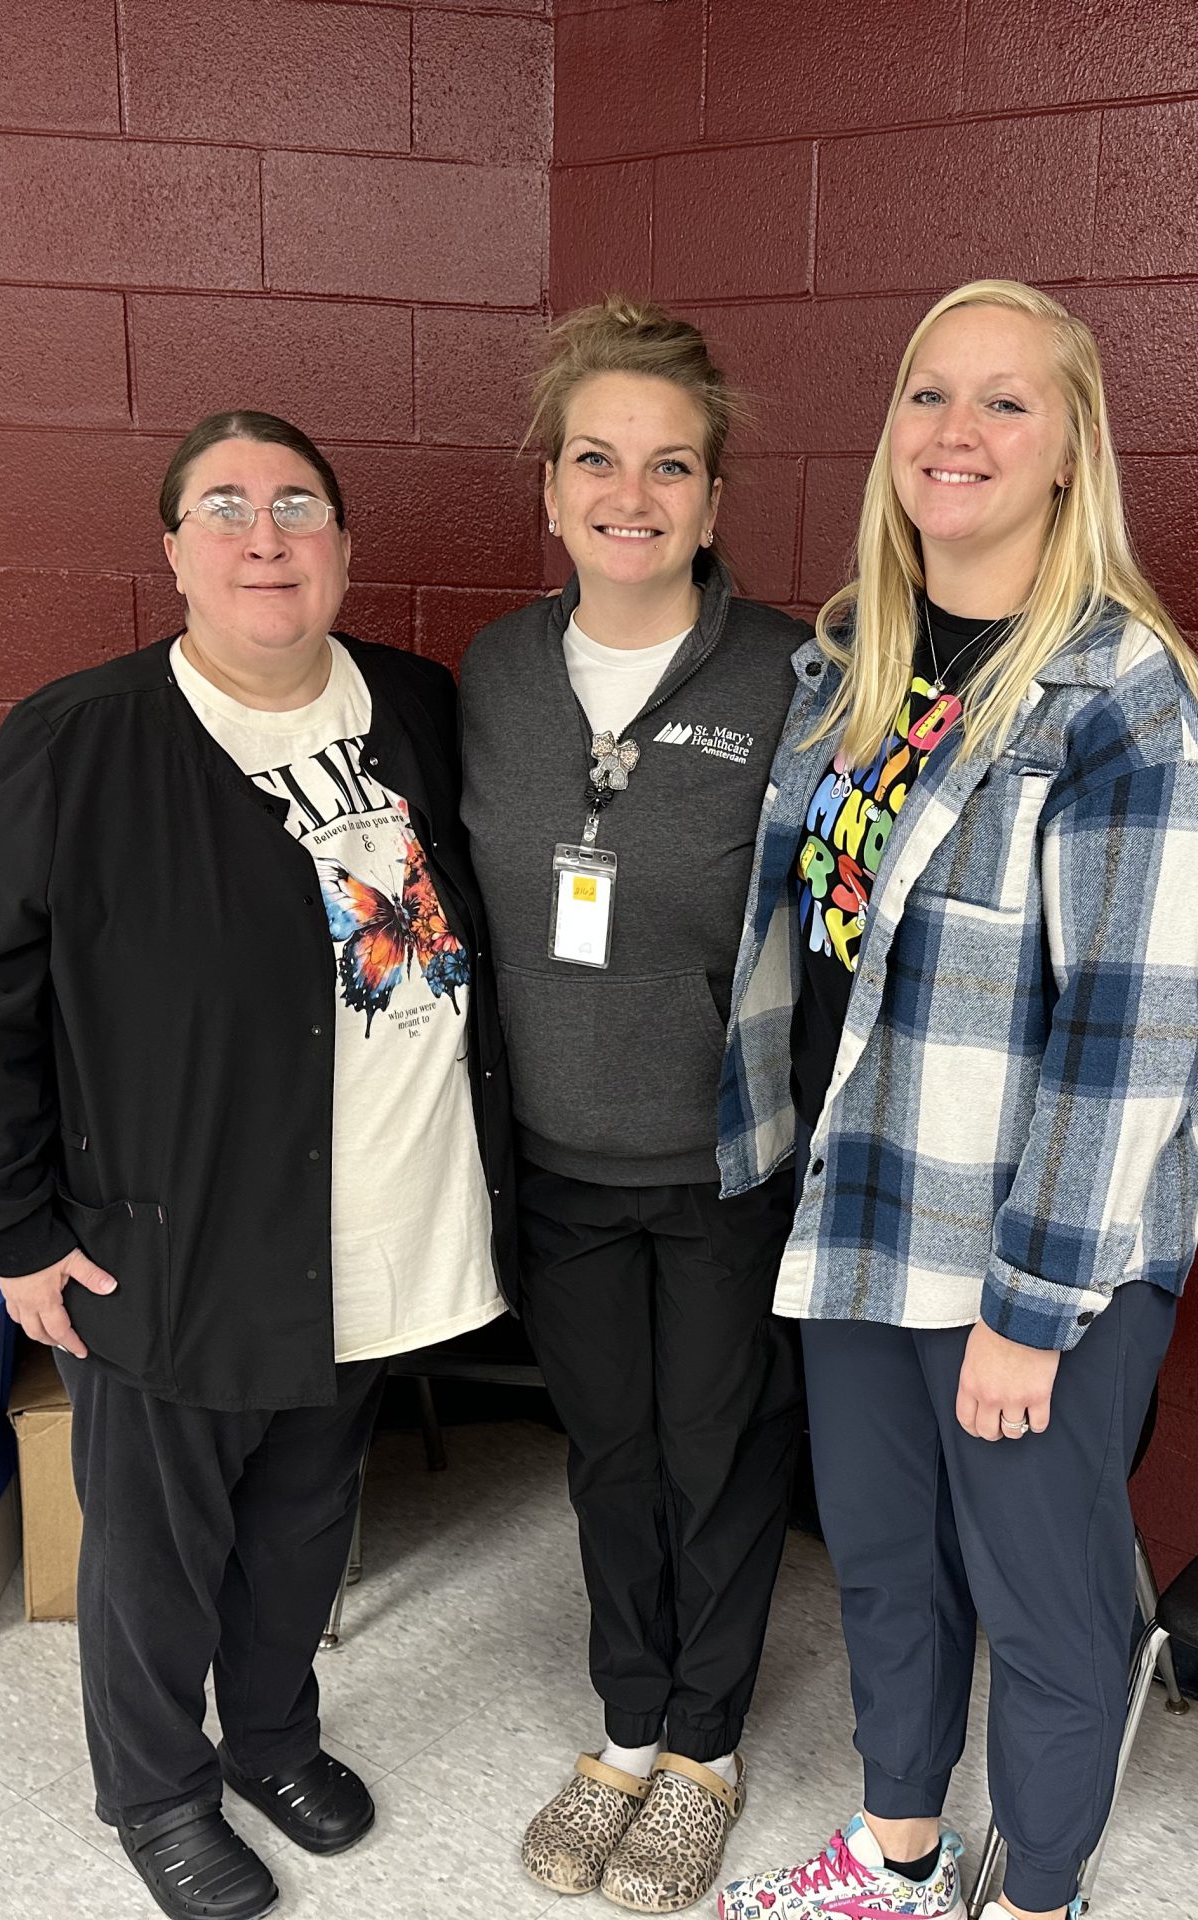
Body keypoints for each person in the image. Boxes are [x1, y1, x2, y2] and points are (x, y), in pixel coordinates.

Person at [0, 410, 515, 1920]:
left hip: (380, 1214)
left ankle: (271, 1738)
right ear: (174, 552)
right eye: (227, 508)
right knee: (159, 1545)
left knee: (306, 1518)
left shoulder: (417, 707)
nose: (267, 538)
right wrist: (12, 1227)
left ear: (343, 548)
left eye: (299, 506)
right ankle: (158, 1792)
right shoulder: (79, 741)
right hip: (173, 1233)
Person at [711, 280, 1198, 1920]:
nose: (957, 430)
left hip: (1034, 1247)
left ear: (1074, 450)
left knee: (1041, 1599)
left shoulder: (1125, 701)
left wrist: (1031, 1306)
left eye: (1006, 401)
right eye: (928, 394)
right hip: (867, 1201)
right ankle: (897, 1857)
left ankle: (1038, 1897)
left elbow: (1127, 1036)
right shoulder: (849, 668)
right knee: (882, 1562)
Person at [456, 296, 806, 1915]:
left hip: (725, 1159)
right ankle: (625, 1726)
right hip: (557, 1159)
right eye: (597, 459)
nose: (632, 494)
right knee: (606, 1448)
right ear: (549, 487)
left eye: (671, 465)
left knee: (715, 1450)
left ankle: (706, 1750)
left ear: (715, 499)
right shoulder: (495, 675)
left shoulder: (795, 673)